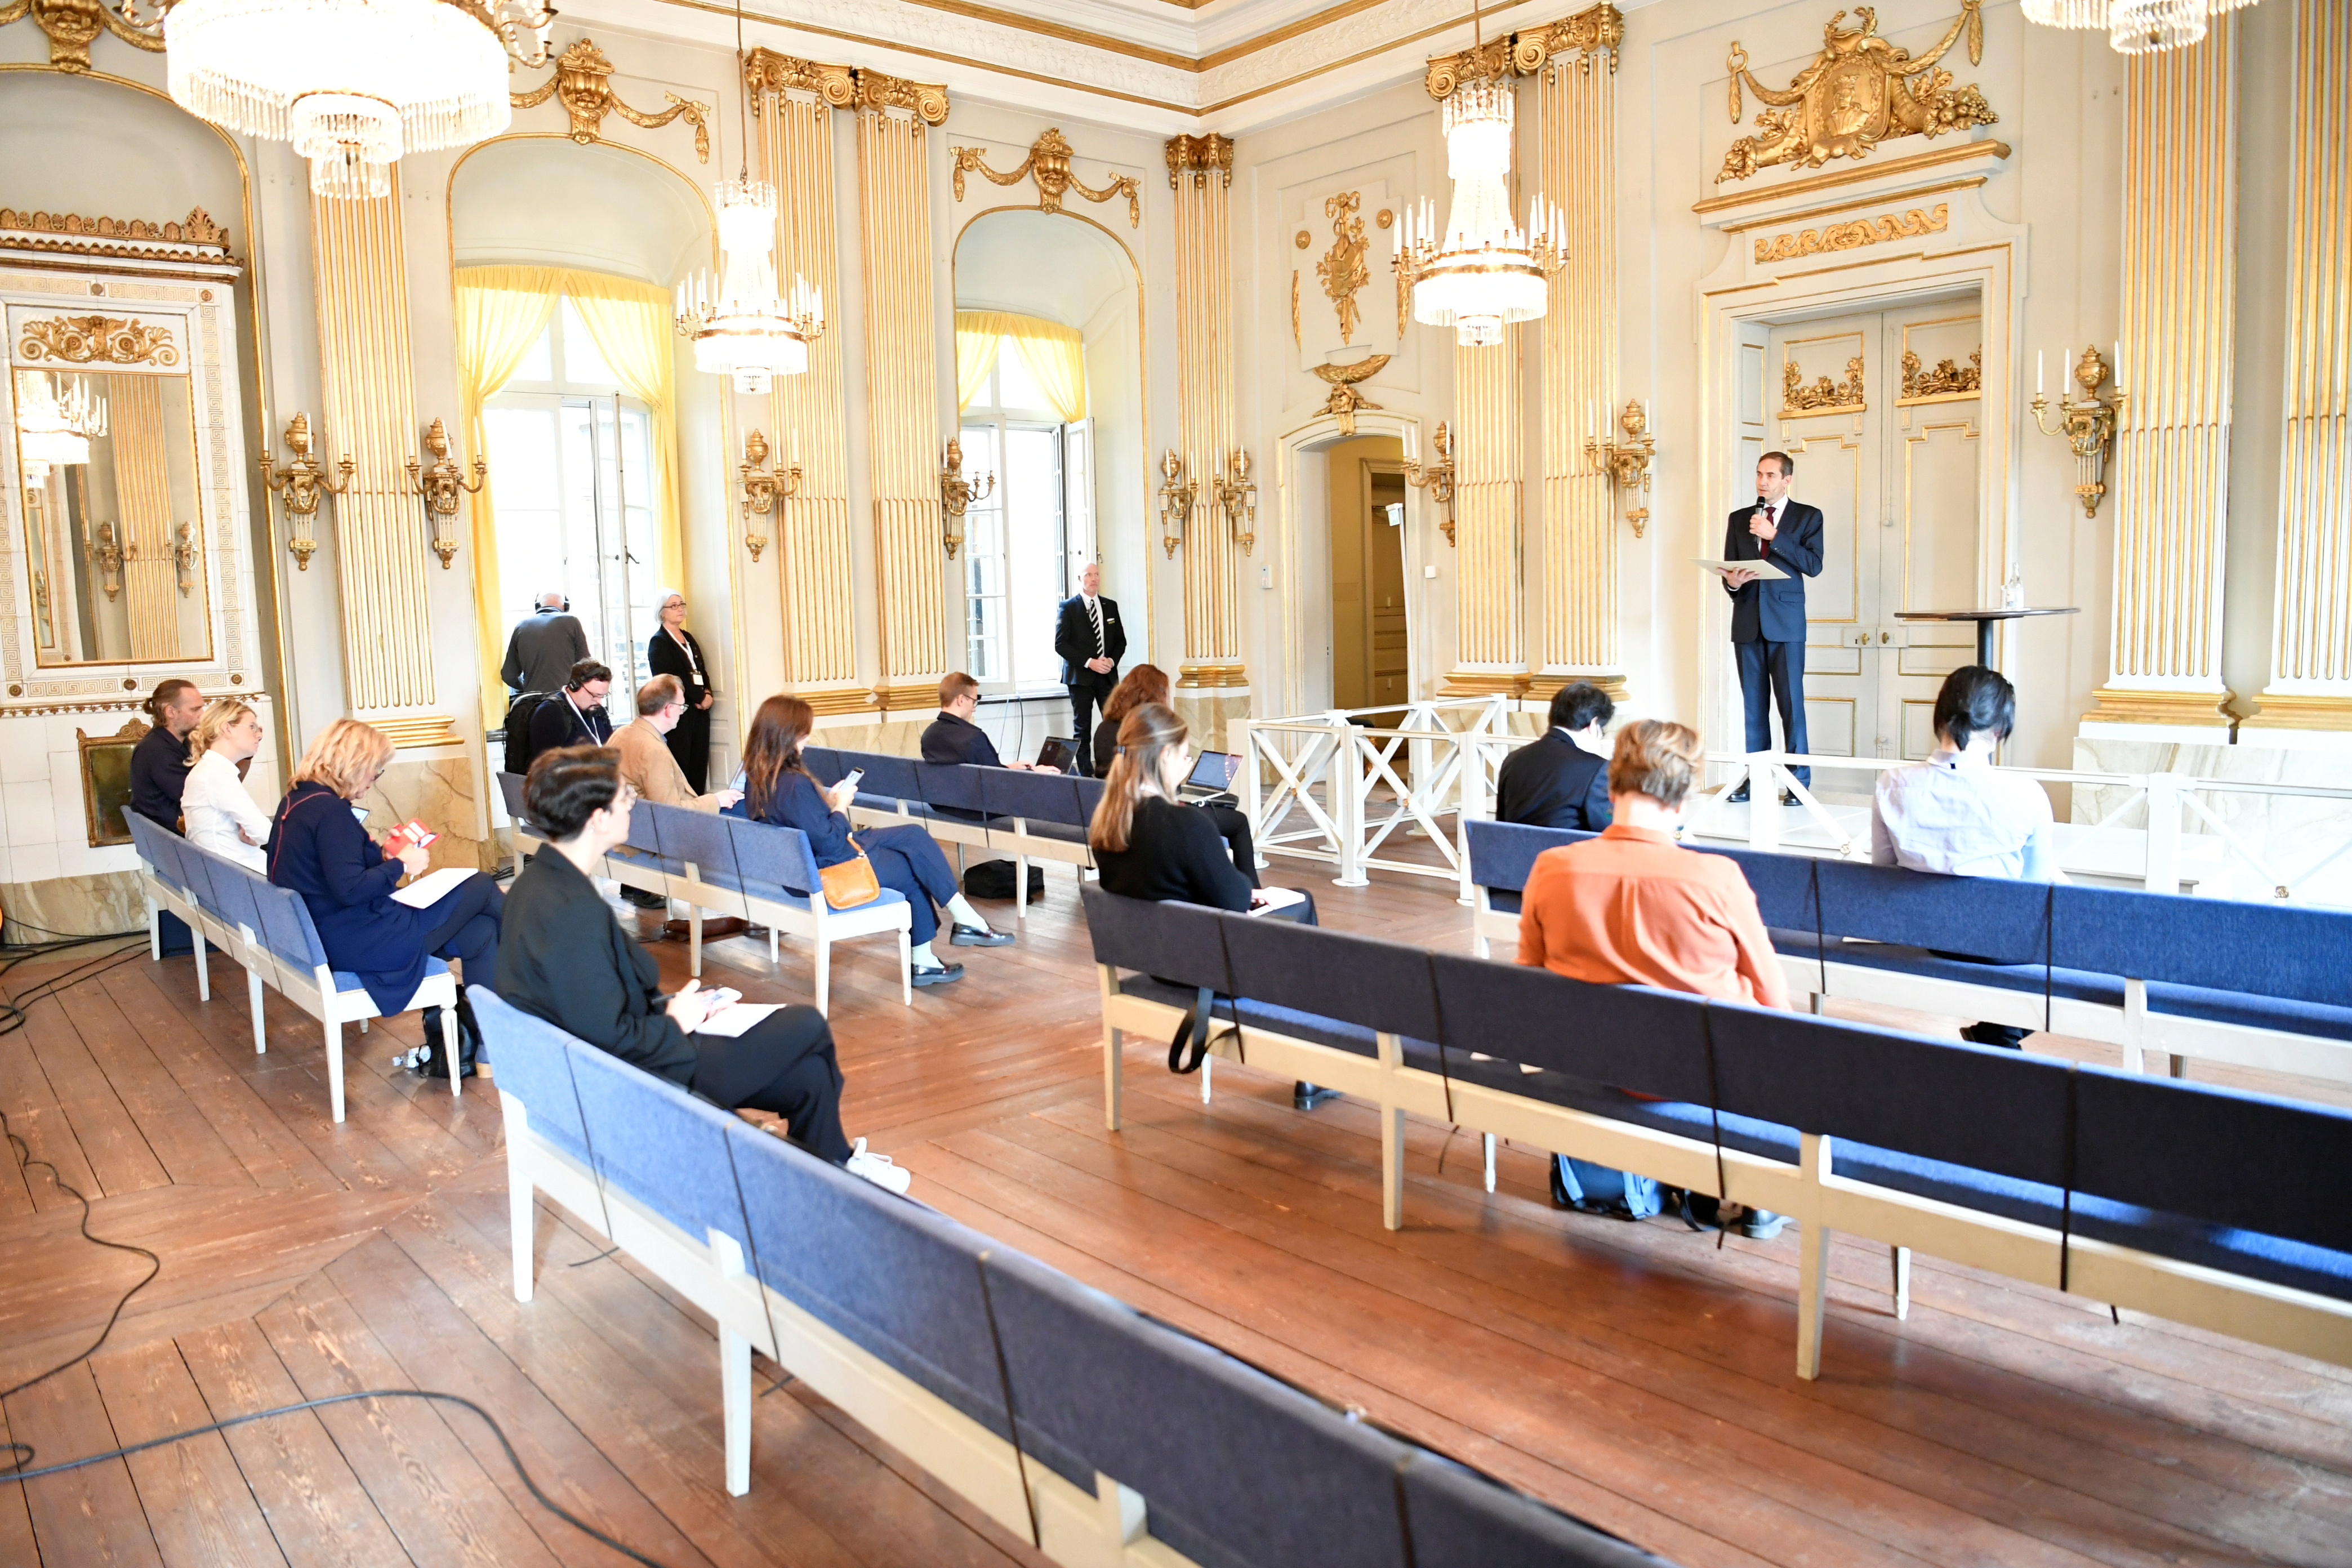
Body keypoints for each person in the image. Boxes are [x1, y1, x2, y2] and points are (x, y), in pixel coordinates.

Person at [496, 745, 906, 1192]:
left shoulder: (539, 883)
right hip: (634, 1078)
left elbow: (590, 1005)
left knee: (810, 1077)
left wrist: (680, 1007)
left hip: (624, 1054)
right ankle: (829, 1171)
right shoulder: (568, 909)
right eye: (622, 796)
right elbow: (609, 1038)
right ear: (596, 818)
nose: (631, 801)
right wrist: (676, 1018)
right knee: (807, 1024)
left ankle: (826, 1174)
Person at [1516, 719, 1790, 1237]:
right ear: (1683, 802)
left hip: (1591, 1061)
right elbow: (1775, 1003)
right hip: (1697, 1075)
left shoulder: (1551, 869)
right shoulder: (1717, 878)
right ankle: (1756, 1189)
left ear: (1612, 787)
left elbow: (1529, 986)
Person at [1089, 703, 1335, 1111]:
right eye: (1185, 755)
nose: (1187, 764)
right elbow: (1236, 900)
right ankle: (1312, 1065)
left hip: (1156, 961)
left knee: (1286, 907)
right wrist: (1247, 889)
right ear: (1165, 755)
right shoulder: (1186, 824)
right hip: (1206, 967)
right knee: (1301, 903)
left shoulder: (1107, 825)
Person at [266, 718, 504, 1072]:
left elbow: (335, 871)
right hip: (364, 939)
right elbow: (350, 889)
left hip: (336, 933)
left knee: (481, 933)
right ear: (355, 763)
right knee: (481, 884)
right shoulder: (329, 810)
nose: (375, 780)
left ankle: (491, 1047)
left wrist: (384, 856)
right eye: (376, 771)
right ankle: (545, 966)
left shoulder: (300, 801)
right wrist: (401, 865)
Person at [741, 694, 1013, 988]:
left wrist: (828, 804)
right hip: (827, 869)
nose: (807, 738)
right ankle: (944, 940)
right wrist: (839, 807)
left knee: (912, 839)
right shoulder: (795, 784)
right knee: (910, 861)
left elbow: (807, 826)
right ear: (788, 734)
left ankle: (951, 934)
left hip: (800, 868)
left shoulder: (758, 777)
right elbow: (831, 841)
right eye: (804, 732)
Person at [1872, 665, 2065, 1051]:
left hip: (1926, 934)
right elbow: (2036, 885)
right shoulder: (2026, 794)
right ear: (1999, 731)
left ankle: (1998, 1033)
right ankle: (2001, 1032)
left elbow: (1882, 868)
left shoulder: (1892, 783)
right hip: (2001, 945)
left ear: (1939, 718)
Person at [1095, 664, 1260, 886]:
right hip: (1158, 809)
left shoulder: (1105, 729)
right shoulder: (1186, 824)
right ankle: (1255, 888)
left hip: (1124, 807)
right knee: (1238, 821)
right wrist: (1178, 779)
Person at [1721, 452, 1824, 799]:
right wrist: (1733, 583)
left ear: (1786, 480)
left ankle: (1798, 784)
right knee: (1753, 708)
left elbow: (1813, 565)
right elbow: (1731, 576)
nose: (1762, 482)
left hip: (1787, 625)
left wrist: (1774, 535)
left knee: (1791, 706)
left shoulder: (1808, 516)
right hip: (1748, 622)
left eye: (1770, 475)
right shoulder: (1739, 519)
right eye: (1759, 474)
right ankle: (1755, 780)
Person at [611, 675, 744, 911]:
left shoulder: (621, 734)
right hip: (646, 840)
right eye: (682, 706)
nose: (683, 712)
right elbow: (670, 814)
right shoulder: (653, 749)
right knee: (736, 825)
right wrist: (715, 800)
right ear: (668, 710)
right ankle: (741, 907)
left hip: (624, 831)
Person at [1494, 680, 1616, 832]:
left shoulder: (1514, 759)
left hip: (1516, 854)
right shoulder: (1596, 769)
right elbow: (1609, 829)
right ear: (1594, 724)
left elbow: (1502, 824)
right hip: (1566, 855)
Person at [181, 698, 271, 872]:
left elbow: (259, 833)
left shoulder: (210, 769)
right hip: (240, 876)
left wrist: (258, 836)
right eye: (252, 727)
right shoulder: (216, 774)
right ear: (227, 728)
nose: (259, 735)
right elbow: (264, 833)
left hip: (227, 871)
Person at [1054, 562, 1125, 777]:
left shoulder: (1110, 606)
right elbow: (1061, 644)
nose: (1093, 579)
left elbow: (1121, 642)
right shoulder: (1068, 607)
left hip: (1107, 676)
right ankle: (1085, 773)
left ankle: (1114, 770)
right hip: (1080, 678)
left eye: (1096, 575)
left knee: (1115, 725)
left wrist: (1111, 661)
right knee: (1082, 728)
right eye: (1088, 575)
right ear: (1079, 579)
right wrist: (1089, 662)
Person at [646, 589, 716, 794]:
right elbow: (670, 678)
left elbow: (700, 670)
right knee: (683, 761)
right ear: (662, 613)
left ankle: (699, 801)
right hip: (679, 710)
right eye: (674, 606)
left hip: (700, 708)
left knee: (699, 761)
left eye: (682, 605)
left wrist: (708, 694)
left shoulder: (688, 637)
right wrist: (698, 697)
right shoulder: (659, 642)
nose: (680, 609)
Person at [921, 672, 1059, 772]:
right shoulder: (973, 738)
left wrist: (1008, 768)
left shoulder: (929, 735)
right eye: (974, 702)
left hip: (946, 804)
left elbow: (988, 772)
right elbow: (996, 783)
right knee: (1062, 774)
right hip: (981, 809)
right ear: (961, 700)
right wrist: (1035, 773)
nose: (974, 709)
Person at [130, 678, 204, 832]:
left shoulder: (182, 742)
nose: (202, 715)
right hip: (177, 841)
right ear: (171, 712)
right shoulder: (156, 750)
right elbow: (201, 797)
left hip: (186, 833)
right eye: (195, 710)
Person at [502, 590, 591, 698]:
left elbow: (508, 676)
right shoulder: (572, 622)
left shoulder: (521, 626)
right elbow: (587, 666)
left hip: (533, 704)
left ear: (538, 606)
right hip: (565, 700)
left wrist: (527, 687)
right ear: (565, 608)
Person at [529, 659, 615, 755]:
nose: (600, 702)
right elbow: (546, 764)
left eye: (603, 696)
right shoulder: (550, 712)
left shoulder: (598, 711)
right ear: (575, 686)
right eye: (594, 695)